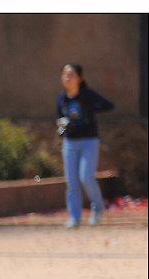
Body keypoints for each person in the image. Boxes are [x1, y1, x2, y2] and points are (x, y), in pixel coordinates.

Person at [56, 63, 114, 229]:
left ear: (79, 78)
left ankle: (98, 207)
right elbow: (58, 117)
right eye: (65, 75)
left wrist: (90, 111)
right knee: (72, 182)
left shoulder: (87, 95)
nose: (67, 78)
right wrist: (62, 124)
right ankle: (75, 217)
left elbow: (108, 105)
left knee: (86, 176)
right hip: (70, 142)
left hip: (89, 140)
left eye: (71, 75)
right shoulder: (61, 98)